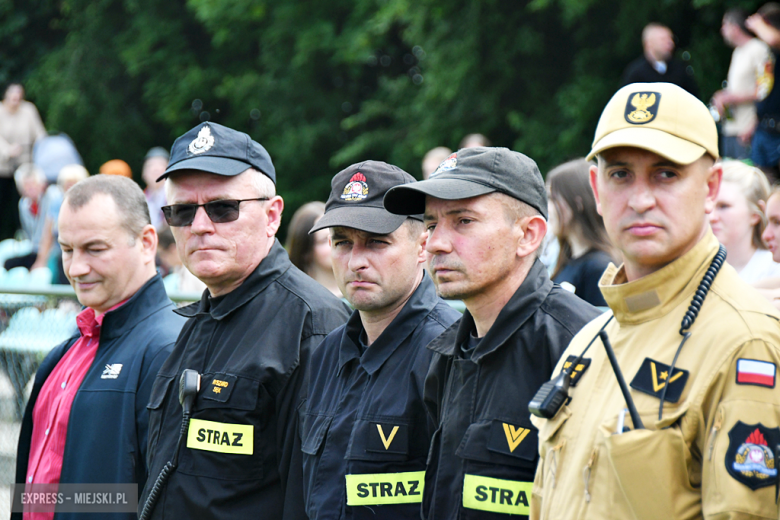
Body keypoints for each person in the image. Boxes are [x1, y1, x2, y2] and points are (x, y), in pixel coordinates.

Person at [530, 82, 780, 520]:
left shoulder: (748, 340)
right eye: (620, 174)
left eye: (667, 173)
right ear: (596, 188)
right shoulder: (588, 341)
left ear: (710, 187)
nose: (641, 199)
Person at [139, 122, 350, 520]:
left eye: (223, 208)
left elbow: (312, 501)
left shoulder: (312, 324)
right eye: (182, 211)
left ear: (272, 216)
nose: (200, 226)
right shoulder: (200, 319)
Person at [383, 147, 600, 519]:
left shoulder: (578, 345)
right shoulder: (448, 351)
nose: (435, 242)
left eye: (463, 221)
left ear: (528, 235)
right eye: (432, 224)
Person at [13, 174, 186, 520]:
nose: (77, 268)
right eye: (66, 250)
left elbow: (168, 498)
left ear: (147, 242)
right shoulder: (62, 354)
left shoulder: (171, 349)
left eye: (95, 249)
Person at [300, 161, 461, 519]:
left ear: (422, 247)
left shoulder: (449, 353)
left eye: (376, 242)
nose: (356, 261)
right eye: (342, 242)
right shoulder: (328, 352)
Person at [547, 158, 614, 306]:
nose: (548, 209)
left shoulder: (598, 267)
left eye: (553, 199)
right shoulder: (566, 261)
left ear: (577, 203)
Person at [712, 9, 772, 159]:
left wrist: (732, 98)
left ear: (735, 27)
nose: (722, 30)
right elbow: (738, 89)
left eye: (724, 25)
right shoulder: (738, 52)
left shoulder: (758, 49)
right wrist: (722, 97)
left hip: (748, 130)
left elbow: (766, 89)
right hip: (731, 130)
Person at [709, 159, 780, 282]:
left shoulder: (774, 267)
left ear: (756, 213)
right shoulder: (697, 266)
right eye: (709, 205)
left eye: (724, 206)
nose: (712, 217)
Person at [0, 83, 46, 240]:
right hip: (3, 167)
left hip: (25, 166)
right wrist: (7, 150)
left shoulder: (28, 110)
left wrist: (43, 148)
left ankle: (23, 234)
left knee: (21, 203)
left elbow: (39, 133)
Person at [32, 164, 90, 283]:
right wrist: (41, 261)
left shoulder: (89, 205)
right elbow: (47, 234)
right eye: (67, 185)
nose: (70, 188)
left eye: (74, 184)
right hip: (62, 256)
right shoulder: (57, 203)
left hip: (85, 255)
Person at [746, 4, 780, 181]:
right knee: (763, 184)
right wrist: (753, 122)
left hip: (778, 132)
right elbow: (764, 92)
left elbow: (774, 39)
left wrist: (758, 23)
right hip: (763, 129)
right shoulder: (769, 54)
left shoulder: (776, 43)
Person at [621, 23, 699, 97]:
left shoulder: (680, 70)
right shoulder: (635, 74)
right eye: (663, 39)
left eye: (670, 39)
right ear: (649, 43)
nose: (670, 43)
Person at [285, 201, 341, 296]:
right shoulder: (296, 299)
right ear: (305, 251)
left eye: (339, 237)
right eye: (324, 240)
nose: (336, 244)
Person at [5, 164, 51, 270]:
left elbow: (50, 234)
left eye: (33, 183)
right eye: (26, 184)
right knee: (9, 264)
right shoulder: (23, 204)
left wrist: (41, 259)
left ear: (41, 184)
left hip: (52, 250)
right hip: (34, 249)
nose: (30, 187)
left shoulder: (50, 197)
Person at [142, 147, 170, 231]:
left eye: (161, 165)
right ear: (144, 174)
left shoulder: (177, 197)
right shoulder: (140, 199)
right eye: (150, 165)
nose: (155, 169)